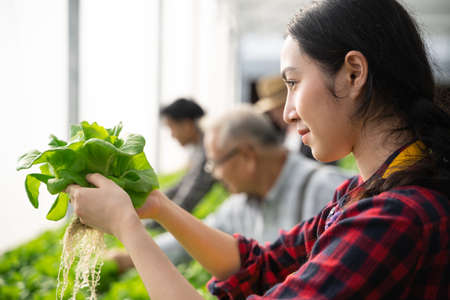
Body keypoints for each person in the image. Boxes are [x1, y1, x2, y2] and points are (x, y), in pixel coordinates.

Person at [67, 0, 450, 299]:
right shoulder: (361, 195)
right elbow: (263, 264)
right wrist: (158, 207)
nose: (286, 112)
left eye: (294, 83)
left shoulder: (394, 217)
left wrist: (128, 229)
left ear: (353, 74)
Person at [109, 107, 352, 271]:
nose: (214, 173)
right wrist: (130, 256)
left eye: (215, 163)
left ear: (246, 156)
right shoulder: (241, 205)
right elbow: (196, 236)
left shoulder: (330, 191)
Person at [158, 98, 216, 213]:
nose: (172, 135)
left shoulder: (208, 151)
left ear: (187, 125)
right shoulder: (200, 149)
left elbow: (187, 201)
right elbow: (183, 185)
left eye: (172, 128)